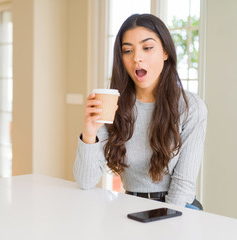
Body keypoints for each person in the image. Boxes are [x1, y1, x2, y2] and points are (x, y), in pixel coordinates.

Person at [73, 14, 207, 210]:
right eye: (128, 50)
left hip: (178, 208)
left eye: (147, 48)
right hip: (131, 204)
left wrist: (160, 223)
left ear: (165, 52)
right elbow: (86, 181)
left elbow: (183, 186)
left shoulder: (190, 107)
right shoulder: (114, 104)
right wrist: (90, 132)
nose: (137, 58)